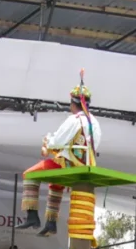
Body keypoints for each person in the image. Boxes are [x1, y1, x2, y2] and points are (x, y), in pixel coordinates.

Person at [16, 77, 101, 237]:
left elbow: (57, 142)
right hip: (85, 165)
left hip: (67, 165)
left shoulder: (74, 119)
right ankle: (51, 222)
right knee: (55, 184)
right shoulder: (94, 122)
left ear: (73, 103)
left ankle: (32, 216)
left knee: (30, 174)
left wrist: (48, 141)